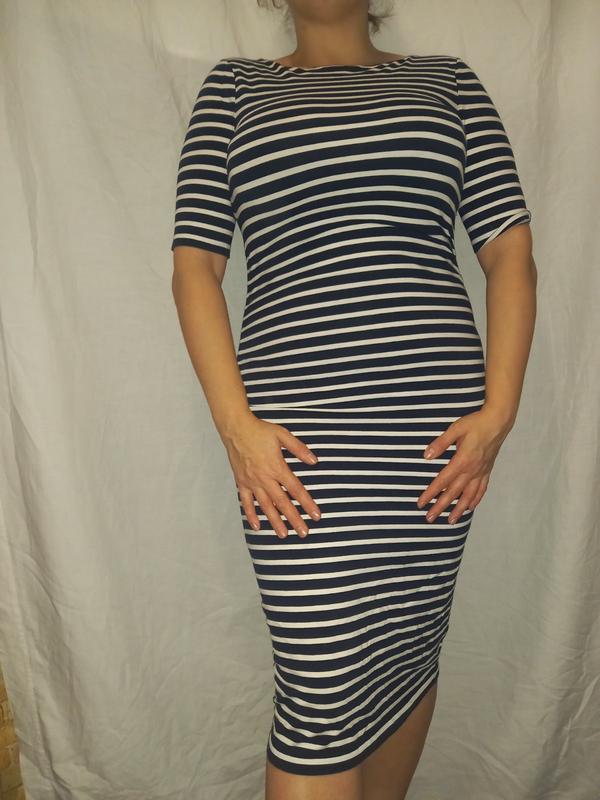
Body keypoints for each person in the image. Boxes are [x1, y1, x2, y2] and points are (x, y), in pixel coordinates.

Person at [170, 1, 537, 797]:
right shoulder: (234, 89)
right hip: (294, 439)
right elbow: (195, 266)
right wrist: (236, 429)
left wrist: (498, 416)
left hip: (433, 437)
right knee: (320, 693)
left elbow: (508, 251)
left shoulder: (448, 84)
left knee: (407, 649)